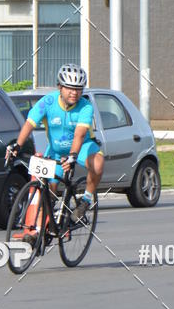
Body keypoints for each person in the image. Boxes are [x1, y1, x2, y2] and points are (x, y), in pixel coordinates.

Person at [6, 63, 104, 224]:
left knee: (98, 164)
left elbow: (79, 135)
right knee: (47, 192)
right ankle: (38, 232)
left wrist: (72, 157)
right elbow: (30, 123)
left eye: (78, 89)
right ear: (60, 87)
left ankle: (85, 201)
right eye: (69, 88)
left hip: (82, 147)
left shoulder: (85, 106)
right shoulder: (48, 101)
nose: (74, 93)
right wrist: (17, 145)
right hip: (56, 150)